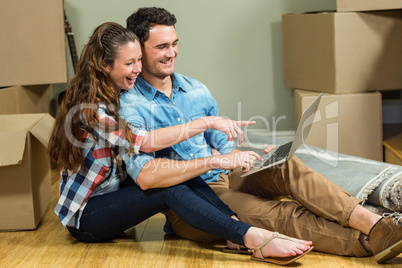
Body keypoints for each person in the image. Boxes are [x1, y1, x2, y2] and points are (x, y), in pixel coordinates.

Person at [120, 7, 402, 263]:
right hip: (195, 200)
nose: (171, 53)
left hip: (225, 176)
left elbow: (221, 143)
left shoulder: (195, 89)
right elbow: (146, 176)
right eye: (161, 47)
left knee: (288, 167)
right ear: (138, 50)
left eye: (175, 44)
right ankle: (366, 241)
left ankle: (376, 224)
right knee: (281, 214)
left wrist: (243, 155)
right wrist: (216, 161)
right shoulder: (130, 104)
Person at [48, 21, 314, 266]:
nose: (138, 69)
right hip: (87, 218)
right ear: (105, 65)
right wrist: (207, 123)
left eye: (139, 60)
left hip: (113, 194)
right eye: (130, 63)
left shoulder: (115, 97)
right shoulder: (93, 110)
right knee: (167, 189)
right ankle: (250, 237)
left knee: (173, 167)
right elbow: (146, 142)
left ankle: (232, 227)